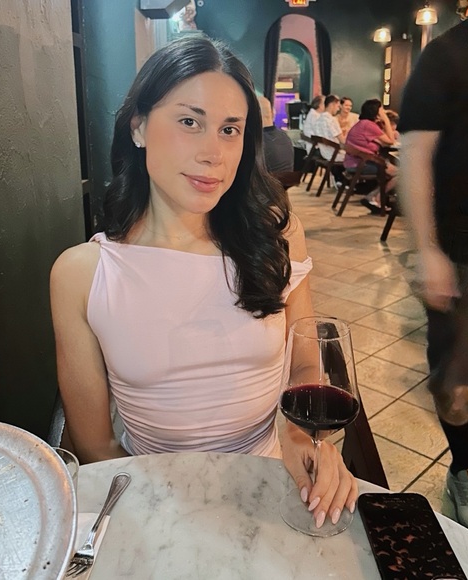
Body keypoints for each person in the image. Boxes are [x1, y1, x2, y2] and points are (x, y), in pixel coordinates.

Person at [50, 35, 357, 529]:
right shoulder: (82, 273)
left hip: (268, 481)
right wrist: (173, 518)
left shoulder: (277, 238)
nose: (214, 153)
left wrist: (301, 432)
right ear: (139, 127)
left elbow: (304, 357)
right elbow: (94, 443)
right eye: (190, 122)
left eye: (230, 129)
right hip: (151, 498)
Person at [398, 0, 468, 543]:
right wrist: (427, 249)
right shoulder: (447, 53)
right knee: (461, 375)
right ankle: (467, 472)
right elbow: (414, 152)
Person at [344, 99, 397, 214]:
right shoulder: (368, 125)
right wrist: (386, 119)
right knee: (401, 174)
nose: (383, 111)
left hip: (356, 161)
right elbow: (390, 141)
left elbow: (383, 142)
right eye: (381, 109)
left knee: (393, 169)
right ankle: (375, 197)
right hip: (361, 164)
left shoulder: (364, 123)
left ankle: (376, 198)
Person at [258, 96, 294, 173]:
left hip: (266, 180)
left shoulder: (257, 141)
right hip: (287, 180)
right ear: (272, 113)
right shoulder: (285, 137)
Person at [310, 95, 345, 162]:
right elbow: (342, 141)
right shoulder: (332, 120)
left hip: (324, 153)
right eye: (338, 106)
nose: (338, 109)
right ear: (332, 105)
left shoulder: (318, 120)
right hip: (335, 154)